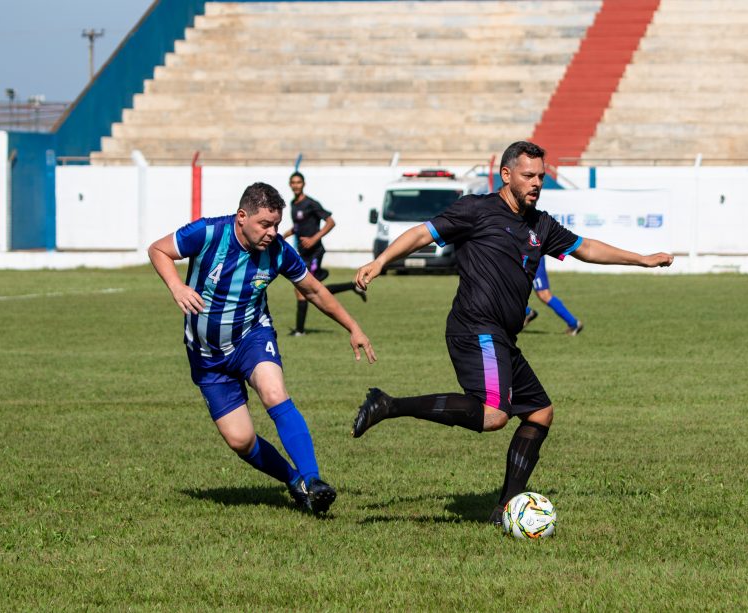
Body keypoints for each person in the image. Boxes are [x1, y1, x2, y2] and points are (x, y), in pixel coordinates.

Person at [350, 141, 672, 525]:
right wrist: (382, 260)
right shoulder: (476, 210)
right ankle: (388, 404)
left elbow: (585, 248)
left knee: (539, 413)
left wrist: (641, 259)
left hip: (502, 336)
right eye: (528, 176)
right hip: (474, 327)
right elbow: (423, 233)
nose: (536, 183)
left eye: (541, 176)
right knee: (494, 415)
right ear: (506, 175)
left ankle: (505, 507)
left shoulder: (540, 224)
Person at [148, 182, 377, 515]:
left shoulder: (279, 251)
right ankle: (295, 482)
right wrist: (176, 285)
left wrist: (353, 327)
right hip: (206, 355)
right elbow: (158, 249)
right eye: (265, 225)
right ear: (242, 217)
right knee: (240, 440)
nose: (273, 232)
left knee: (273, 392)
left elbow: (313, 291)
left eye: (276, 224)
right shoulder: (207, 232)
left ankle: (313, 480)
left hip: (251, 337)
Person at [282, 171, 366, 336]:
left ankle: (299, 331)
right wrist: (286, 234)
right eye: (293, 182)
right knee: (312, 290)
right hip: (303, 253)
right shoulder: (293, 204)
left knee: (304, 290)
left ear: (303, 184)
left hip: (315, 253)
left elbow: (330, 222)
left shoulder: (311, 203)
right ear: (290, 185)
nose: (296, 185)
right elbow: (299, 225)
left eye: (299, 182)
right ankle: (352, 286)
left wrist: (314, 239)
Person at [522, 258, 584, 335]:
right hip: (518, 255)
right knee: (506, 289)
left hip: (531, 256)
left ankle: (574, 323)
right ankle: (526, 312)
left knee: (544, 294)